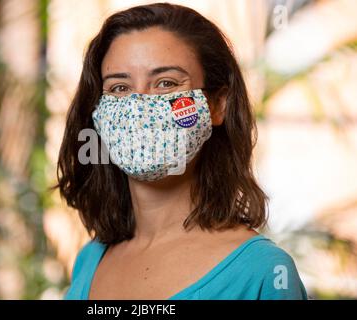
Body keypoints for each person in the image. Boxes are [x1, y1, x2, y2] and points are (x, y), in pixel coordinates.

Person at [57, 2, 307, 300]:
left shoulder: (263, 272)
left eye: (166, 83)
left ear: (217, 105)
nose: (139, 107)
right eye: (119, 88)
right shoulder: (91, 259)